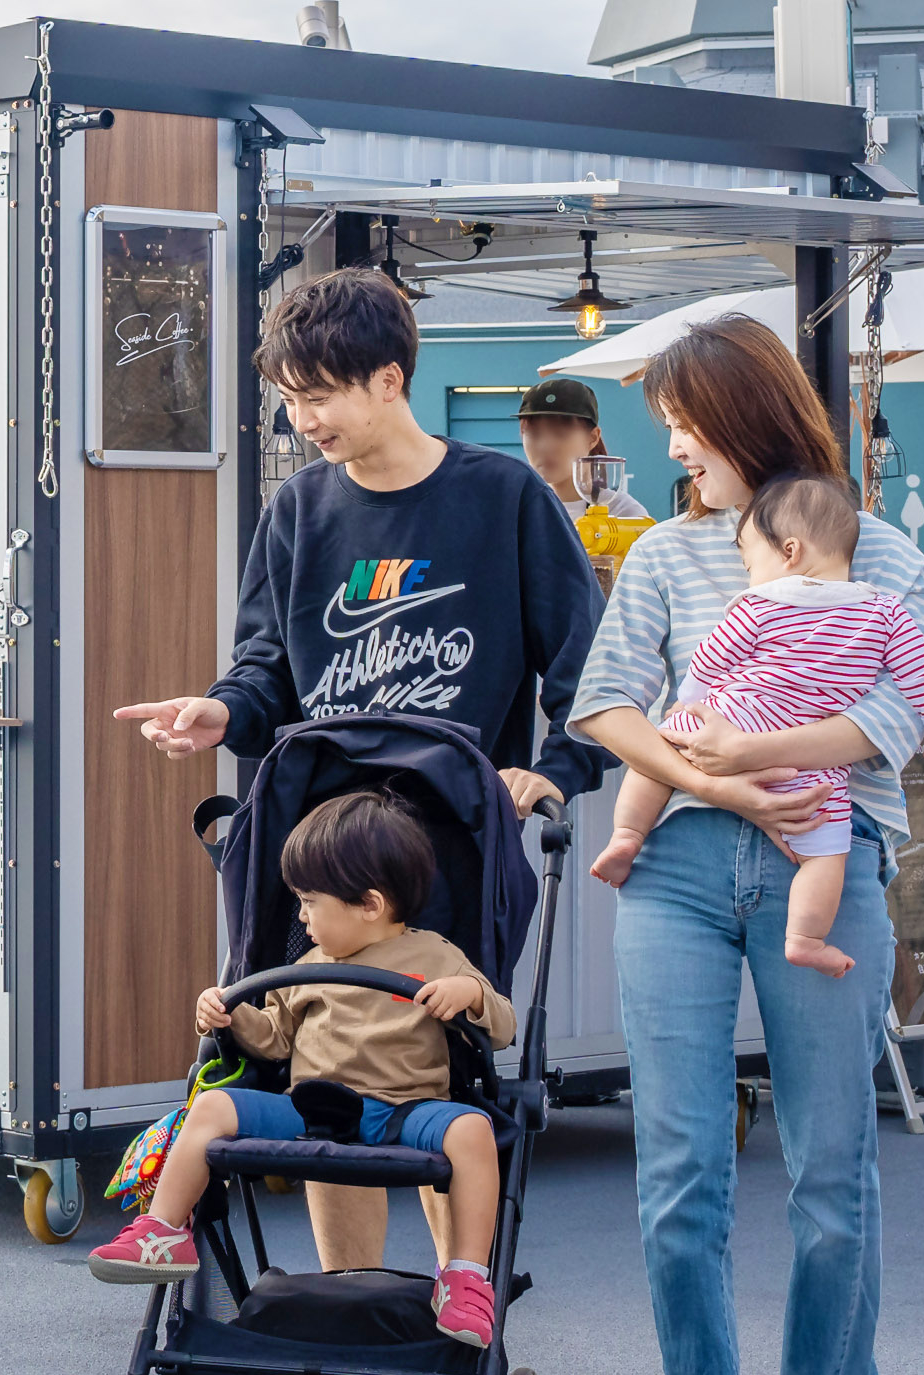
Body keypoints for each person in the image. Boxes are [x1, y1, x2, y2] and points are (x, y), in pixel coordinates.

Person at [115, 267, 593, 1271]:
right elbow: (264, 673)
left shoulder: (500, 499)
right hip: (319, 853)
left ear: (388, 379)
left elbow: (587, 675)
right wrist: (216, 712)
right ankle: (353, 1302)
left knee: (441, 1081)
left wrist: (552, 772)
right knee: (326, 1078)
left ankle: (462, 1300)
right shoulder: (297, 511)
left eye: (319, 393)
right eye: (290, 398)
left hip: (451, 851)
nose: (303, 418)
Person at [565, 315, 924, 1375]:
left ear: (741, 419)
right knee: (678, 1163)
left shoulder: (878, 554)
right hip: (675, 871)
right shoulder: (665, 557)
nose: (674, 449)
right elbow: (603, 705)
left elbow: (898, 725)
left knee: (829, 1161)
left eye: (683, 425)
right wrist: (707, 783)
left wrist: (749, 755)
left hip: (828, 865)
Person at [83, 792, 511, 1337]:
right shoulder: (308, 966)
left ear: (370, 904)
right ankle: (163, 1230)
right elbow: (274, 1040)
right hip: (313, 1109)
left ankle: (466, 1276)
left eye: (310, 903)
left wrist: (470, 992)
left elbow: (502, 1023)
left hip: (409, 1109)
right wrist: (228, 1015)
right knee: (212, 1105)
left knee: (473, 1129)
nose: (301, 916)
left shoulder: (435, 956)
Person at [599, 474, 924, 974]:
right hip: (814, 767)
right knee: (826, 856)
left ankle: (626, 835)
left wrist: (686, 702)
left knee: (659, 760)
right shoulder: (884, 612)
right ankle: (806, 938)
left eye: (751, 563)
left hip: (738, 715)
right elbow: (923, 673)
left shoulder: (759, 603)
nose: (749, 574)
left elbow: (711, 659)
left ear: (789, 551)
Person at [517, 374, 653, 583]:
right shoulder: (517, 508)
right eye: (534, 434)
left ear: (592, 438)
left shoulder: (623, 514)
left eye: (560, 433)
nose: (545, 446)